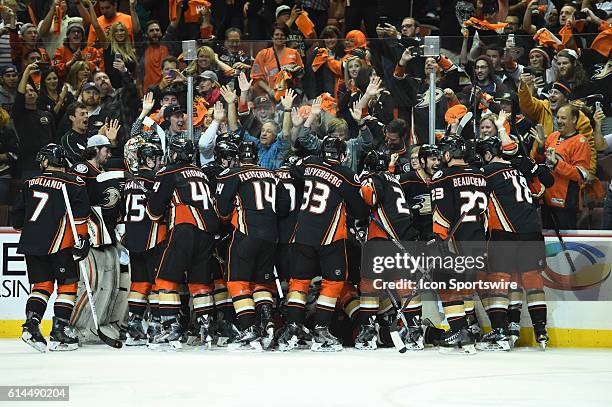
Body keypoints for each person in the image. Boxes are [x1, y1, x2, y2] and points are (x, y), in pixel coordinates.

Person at [279, 136, 369, 352]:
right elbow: (360, 211)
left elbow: (294, 170)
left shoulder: (310, 162)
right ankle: (320, 330)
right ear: (344, 155)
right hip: (330, 237)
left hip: (303, 234)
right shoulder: (347, 175)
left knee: (299, 282)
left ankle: (292, 328)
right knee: (334, 283)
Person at [13, 143, 90, 352]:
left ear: (47, 160)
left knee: (41, 286)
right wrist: (82, 239)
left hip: (32, 244)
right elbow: (82, 217)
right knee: (67, 286)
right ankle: (60, 331)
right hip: (61, 243)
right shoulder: (74, 182)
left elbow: (17, 219)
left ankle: (31, 325)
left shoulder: (29, 182)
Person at [476, 137, 550, 351]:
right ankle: (541, 331)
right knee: (532, 279)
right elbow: (541, 188)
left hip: (505, 232)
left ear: (487, 154)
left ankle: (500, 333)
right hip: (533, 231)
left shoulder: (486, 173)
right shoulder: (519, 169)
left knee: (498, 280)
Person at [146, 138, 219, 350]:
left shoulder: (168, 171)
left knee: (165, 278)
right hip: (207, 231)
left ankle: (171, 329)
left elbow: (154, 210)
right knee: (200, 282)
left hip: (184, 227)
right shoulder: (202, 173)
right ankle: (206, 329)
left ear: (175, 154)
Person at [214, 141, 288, 350]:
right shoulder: (272, 175)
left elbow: (222, 210)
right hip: (271, 236)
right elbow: (284, 207)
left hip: (246, 233)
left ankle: (248, 329)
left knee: (236, 281)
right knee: (261, 282)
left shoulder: (231, 174)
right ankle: (267, 321)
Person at [357, 150, 420, 351]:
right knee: (405, 284)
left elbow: (369, 196)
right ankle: (415, 331)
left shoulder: (374, 178)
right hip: (404, 236)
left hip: (382, 238)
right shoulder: (393, 179)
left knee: (368, 285)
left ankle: (367, 333)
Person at [431, 136, 488, 355]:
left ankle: (460, 330)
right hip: (477, 238)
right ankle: (469, 330)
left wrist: (440, 239)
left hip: (455, 239)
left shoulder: (442, 176)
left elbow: (441, 212)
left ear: (448, 154)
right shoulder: (479, 175)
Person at [122, 143, 166, 346]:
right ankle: (157, 326)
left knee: (139, 283)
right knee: (158, 282)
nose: (161, 162)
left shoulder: (129, 182)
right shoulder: (155, 180)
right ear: (149, 160)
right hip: (153, 236)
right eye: (157, 158)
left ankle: (134, 326)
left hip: (133, 237)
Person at [533, 104, 591, 230]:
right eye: (558, 117)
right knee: (549, 241)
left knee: (566, 243)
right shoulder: (553, 136)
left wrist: (557, 164)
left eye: (563, 118)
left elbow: (580, 174)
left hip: (565, 201)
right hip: (547, 198)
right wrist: (541, 146)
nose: (559, 121)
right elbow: (540, 162)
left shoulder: (580, 142)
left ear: (574, 119)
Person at [13, 62, 56, 180]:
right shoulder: (19, 114)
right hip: (29, 163)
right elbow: (19, 97)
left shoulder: (47, 115)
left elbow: (54, 138)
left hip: (49, 162)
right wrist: (26, 72)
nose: (30, 93)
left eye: (32, 90)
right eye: (26, 92)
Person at [251, 24, 304, 102]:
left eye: (282, 35)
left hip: (290, 95)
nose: (279, 37)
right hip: (269, 96)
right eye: (276, 34)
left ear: (286, 37)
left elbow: (301, 74)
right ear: (272, 37)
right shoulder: (263, 54)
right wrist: (269, 90)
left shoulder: (294, 53)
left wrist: (296, 71)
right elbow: (256, 77)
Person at [61, 101, 89, 165]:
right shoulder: (68, 139)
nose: (87, 116)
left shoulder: (92, 133)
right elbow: (78, 159)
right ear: (72, 118)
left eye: (87, 113)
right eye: (82, 114)